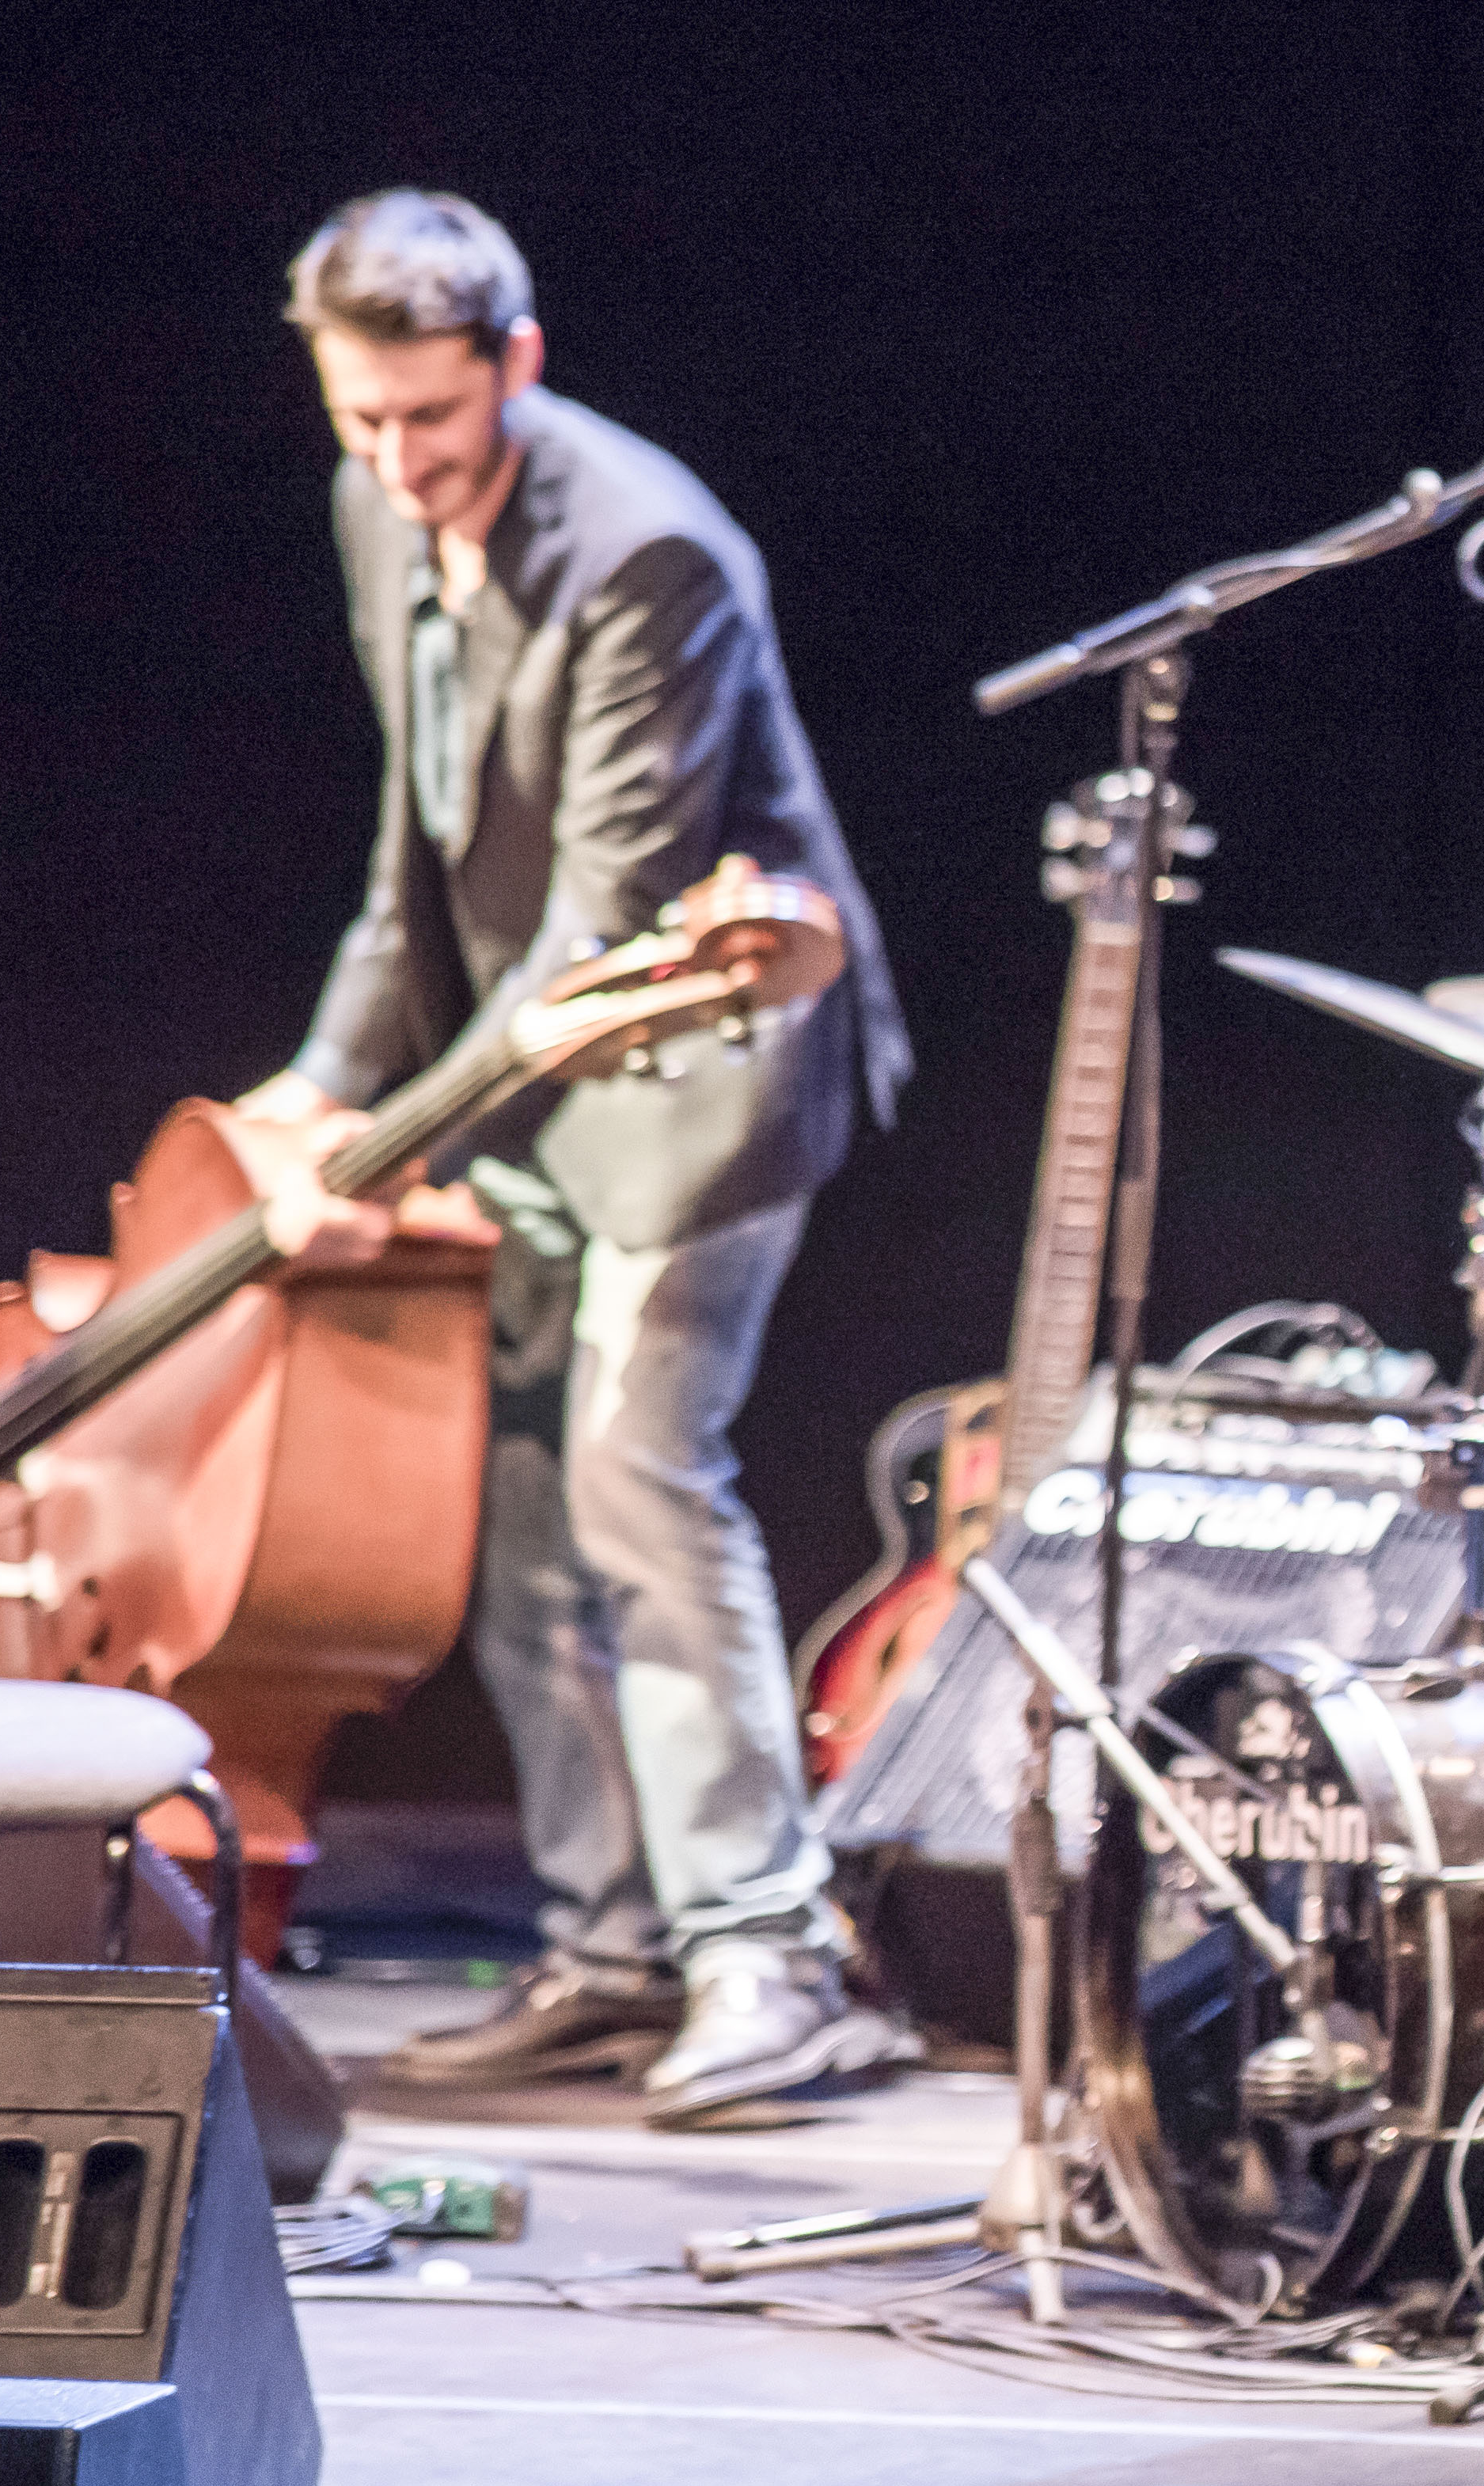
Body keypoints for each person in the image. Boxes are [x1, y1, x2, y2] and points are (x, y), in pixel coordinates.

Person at [224, 190, 918, 2127]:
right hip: (515, 1076)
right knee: (518, 1519)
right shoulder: (381, 505)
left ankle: (772, 1959)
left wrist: (381, 1144)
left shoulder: (650, 557)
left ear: (512, 368)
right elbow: (416, 848)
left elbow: (594, 928)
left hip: (698, 1072)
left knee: (634, 1483)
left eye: (428, 425)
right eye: (359, 422)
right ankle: (614, 1952)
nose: (392, 463)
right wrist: (320, 1084)